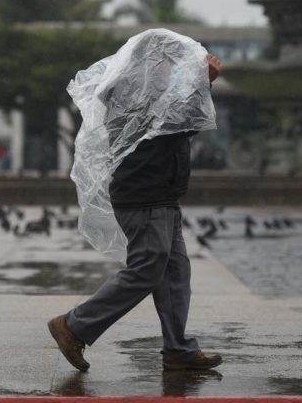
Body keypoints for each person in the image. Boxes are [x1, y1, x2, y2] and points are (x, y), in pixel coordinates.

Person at [48, 29, 223, 372]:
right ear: (150, 61)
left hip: (160, 192)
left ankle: (178, 349)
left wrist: (201, 84)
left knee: (174, 273)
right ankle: (73, 326)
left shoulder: (146, 89)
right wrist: (203, 83)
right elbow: (172, 125)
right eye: (169, 60)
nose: (174, 66)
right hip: (145, 194)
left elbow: (178, 125)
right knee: (147, 269)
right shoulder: (133, 91)